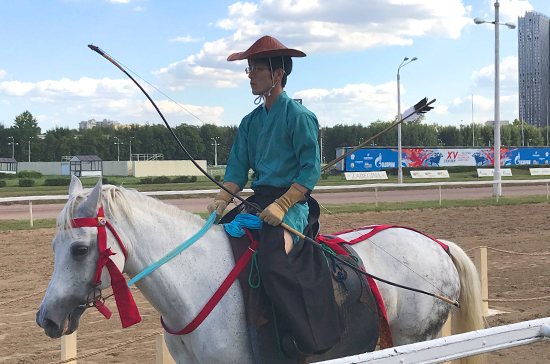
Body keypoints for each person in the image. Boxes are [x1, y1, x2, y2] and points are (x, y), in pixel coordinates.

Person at [207, 35, 343, 358]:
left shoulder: (299, 117)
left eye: (256, 69)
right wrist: (221, 200)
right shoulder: (249, 123)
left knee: (272, 261)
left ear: (278, 74)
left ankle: (300, 337)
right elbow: (237, 172)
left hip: (292, 205)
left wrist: (283, 204)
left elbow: (311, 171)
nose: (250, 75)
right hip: (257, 201)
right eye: (249, 69)